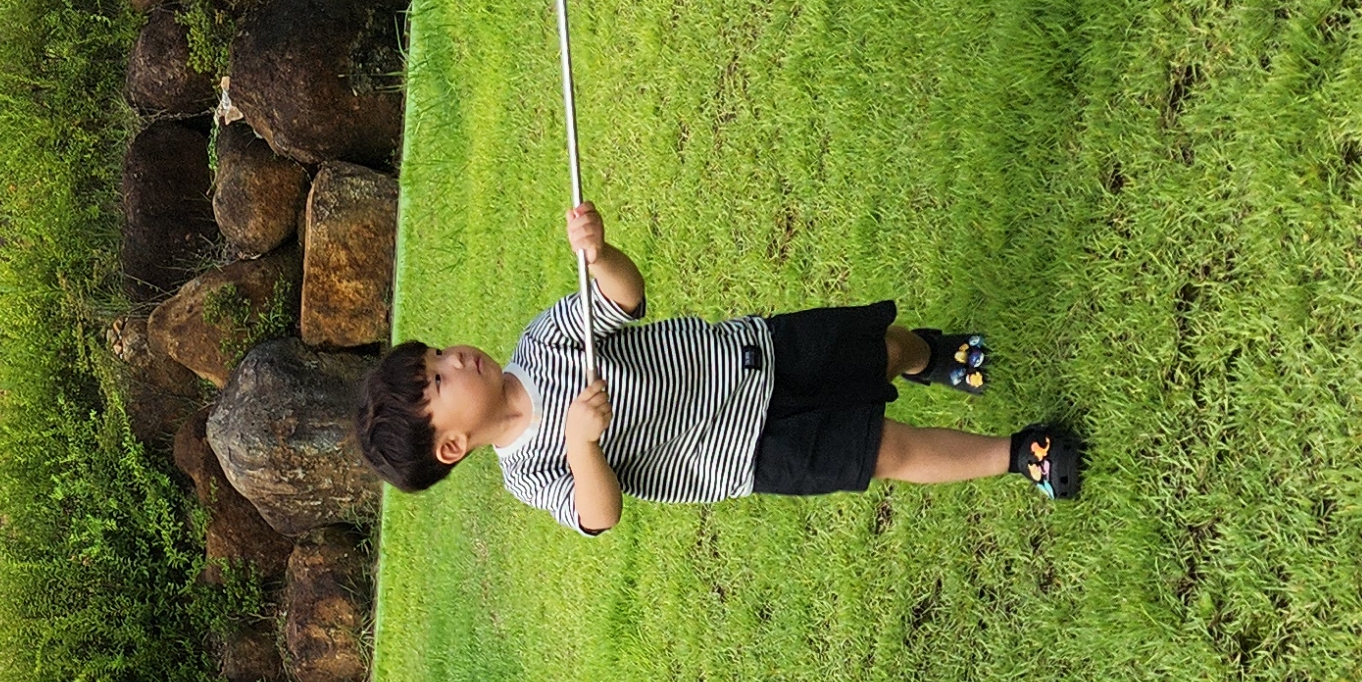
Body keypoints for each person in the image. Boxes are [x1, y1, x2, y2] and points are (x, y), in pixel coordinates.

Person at [353, 201, 1083, 534]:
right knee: (882, 451)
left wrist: (600, 256)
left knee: (878, 350)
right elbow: (599, 514)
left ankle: (926, 355)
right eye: (439, 380)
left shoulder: (541, 342)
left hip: (751, 355)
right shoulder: (528, 474)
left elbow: (626, 300)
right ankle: (1020, 455)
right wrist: (580, 445)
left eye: (438, 354)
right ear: (452, 446)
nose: (456, 359)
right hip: (745, 454)